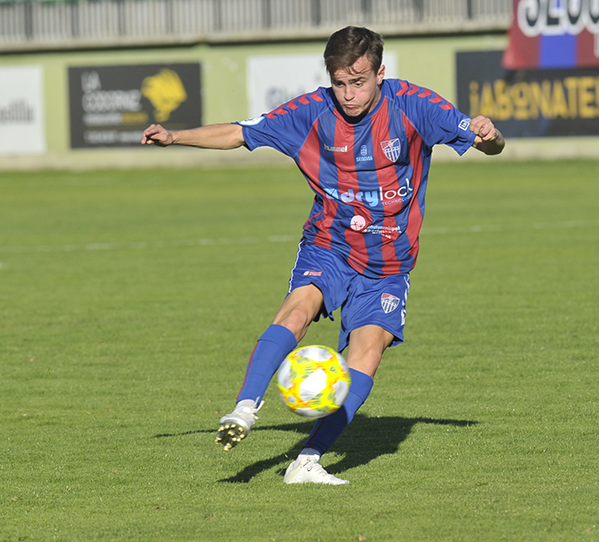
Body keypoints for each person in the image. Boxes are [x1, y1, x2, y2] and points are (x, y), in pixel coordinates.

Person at [142, 26, 505, 484]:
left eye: (359, 82)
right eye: (340, 83)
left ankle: (307, 461)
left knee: (367, 352)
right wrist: (175, 138)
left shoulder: (415, 105)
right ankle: (245, 408)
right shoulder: (312, 112)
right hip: (330, 244)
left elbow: (487, 142)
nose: (349, 94)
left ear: (380, 73)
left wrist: (489, 135)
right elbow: (240, 132)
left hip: (389, 262)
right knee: (299, 307)